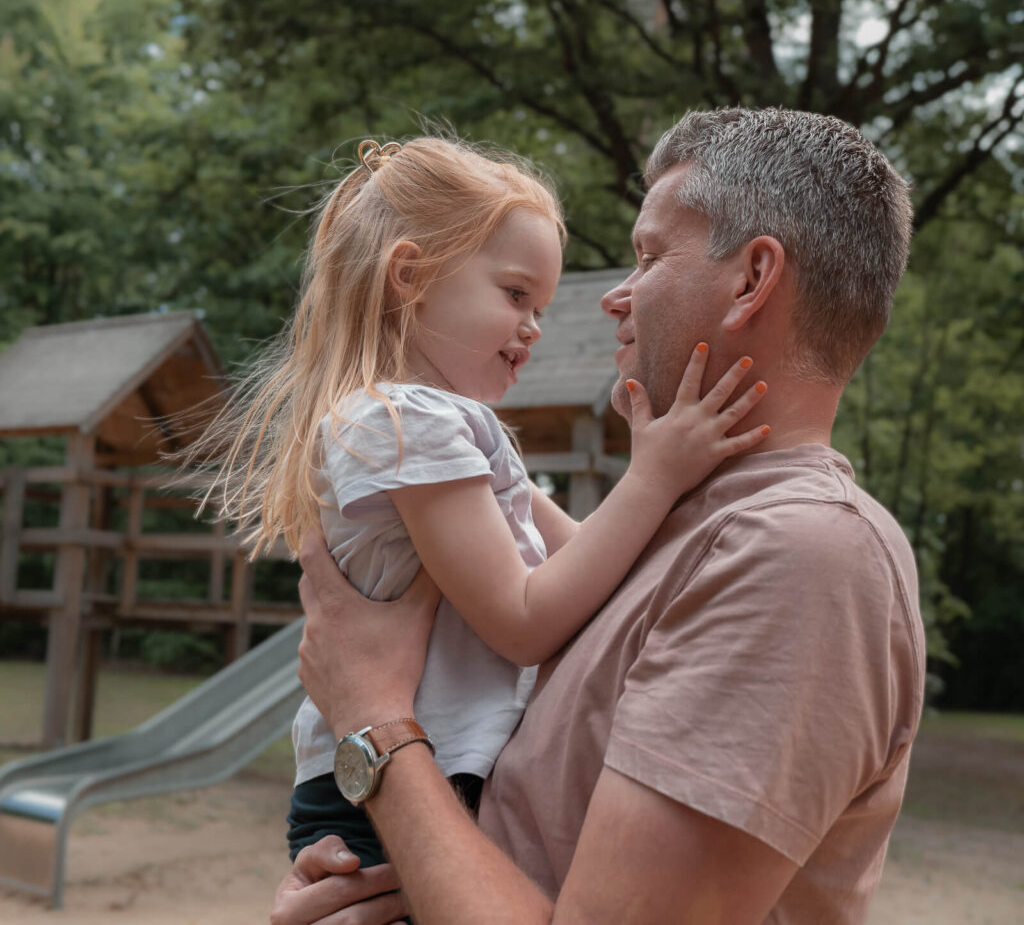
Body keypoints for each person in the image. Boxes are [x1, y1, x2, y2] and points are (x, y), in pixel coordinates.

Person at [272, 108, 927, 925]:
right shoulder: (685, 537)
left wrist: (373, 726)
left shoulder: (805, 552)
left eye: (649, 256)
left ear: (753, 279)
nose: (614, 296)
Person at [198, 136, 770, 872]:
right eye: (515, 295)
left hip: (425, 770)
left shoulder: (444, 430)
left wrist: (662, 475)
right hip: (392, 790)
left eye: (540, 303)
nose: (534, 325)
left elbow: (598, 565)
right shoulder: (405, 424)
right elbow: (522, 622)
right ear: (411, 277)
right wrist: (654, 478)